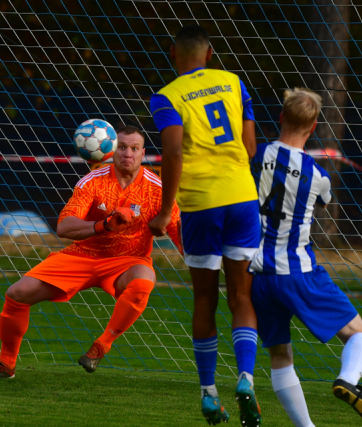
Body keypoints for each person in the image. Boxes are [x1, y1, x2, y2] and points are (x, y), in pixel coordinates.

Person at [0, 125, 181, 378]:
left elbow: (177, 231)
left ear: (142, 152)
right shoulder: (93, 181)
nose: (128, 153)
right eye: (122, 147)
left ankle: (100, 346)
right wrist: (104, 225)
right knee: (17, 294)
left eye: (134, 148)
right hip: (82, 256)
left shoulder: (158, 189)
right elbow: (64, 226)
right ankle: (6, 364)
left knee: (144, 281)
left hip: (128, 260)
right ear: (112, 150)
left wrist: (198, 256)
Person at [148, 24, 261, 426]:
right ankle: (246, 378)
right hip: (242, 198)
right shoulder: (234, 83)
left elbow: (173, 151)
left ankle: (209, 393)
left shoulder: (165, 97)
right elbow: (249, 147)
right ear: (210, 54)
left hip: (200, 206)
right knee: (241, 298)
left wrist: (164, 212)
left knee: (204, 299)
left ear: (171, 53)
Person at [249, 88, 362, 426]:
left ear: (280, 117)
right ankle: (348, 380)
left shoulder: (256, 155)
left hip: (257, 275)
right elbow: (322, 201)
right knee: (357, 334)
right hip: (299, 271)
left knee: (280, 355)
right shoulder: (318, 176)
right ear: (314, 128)